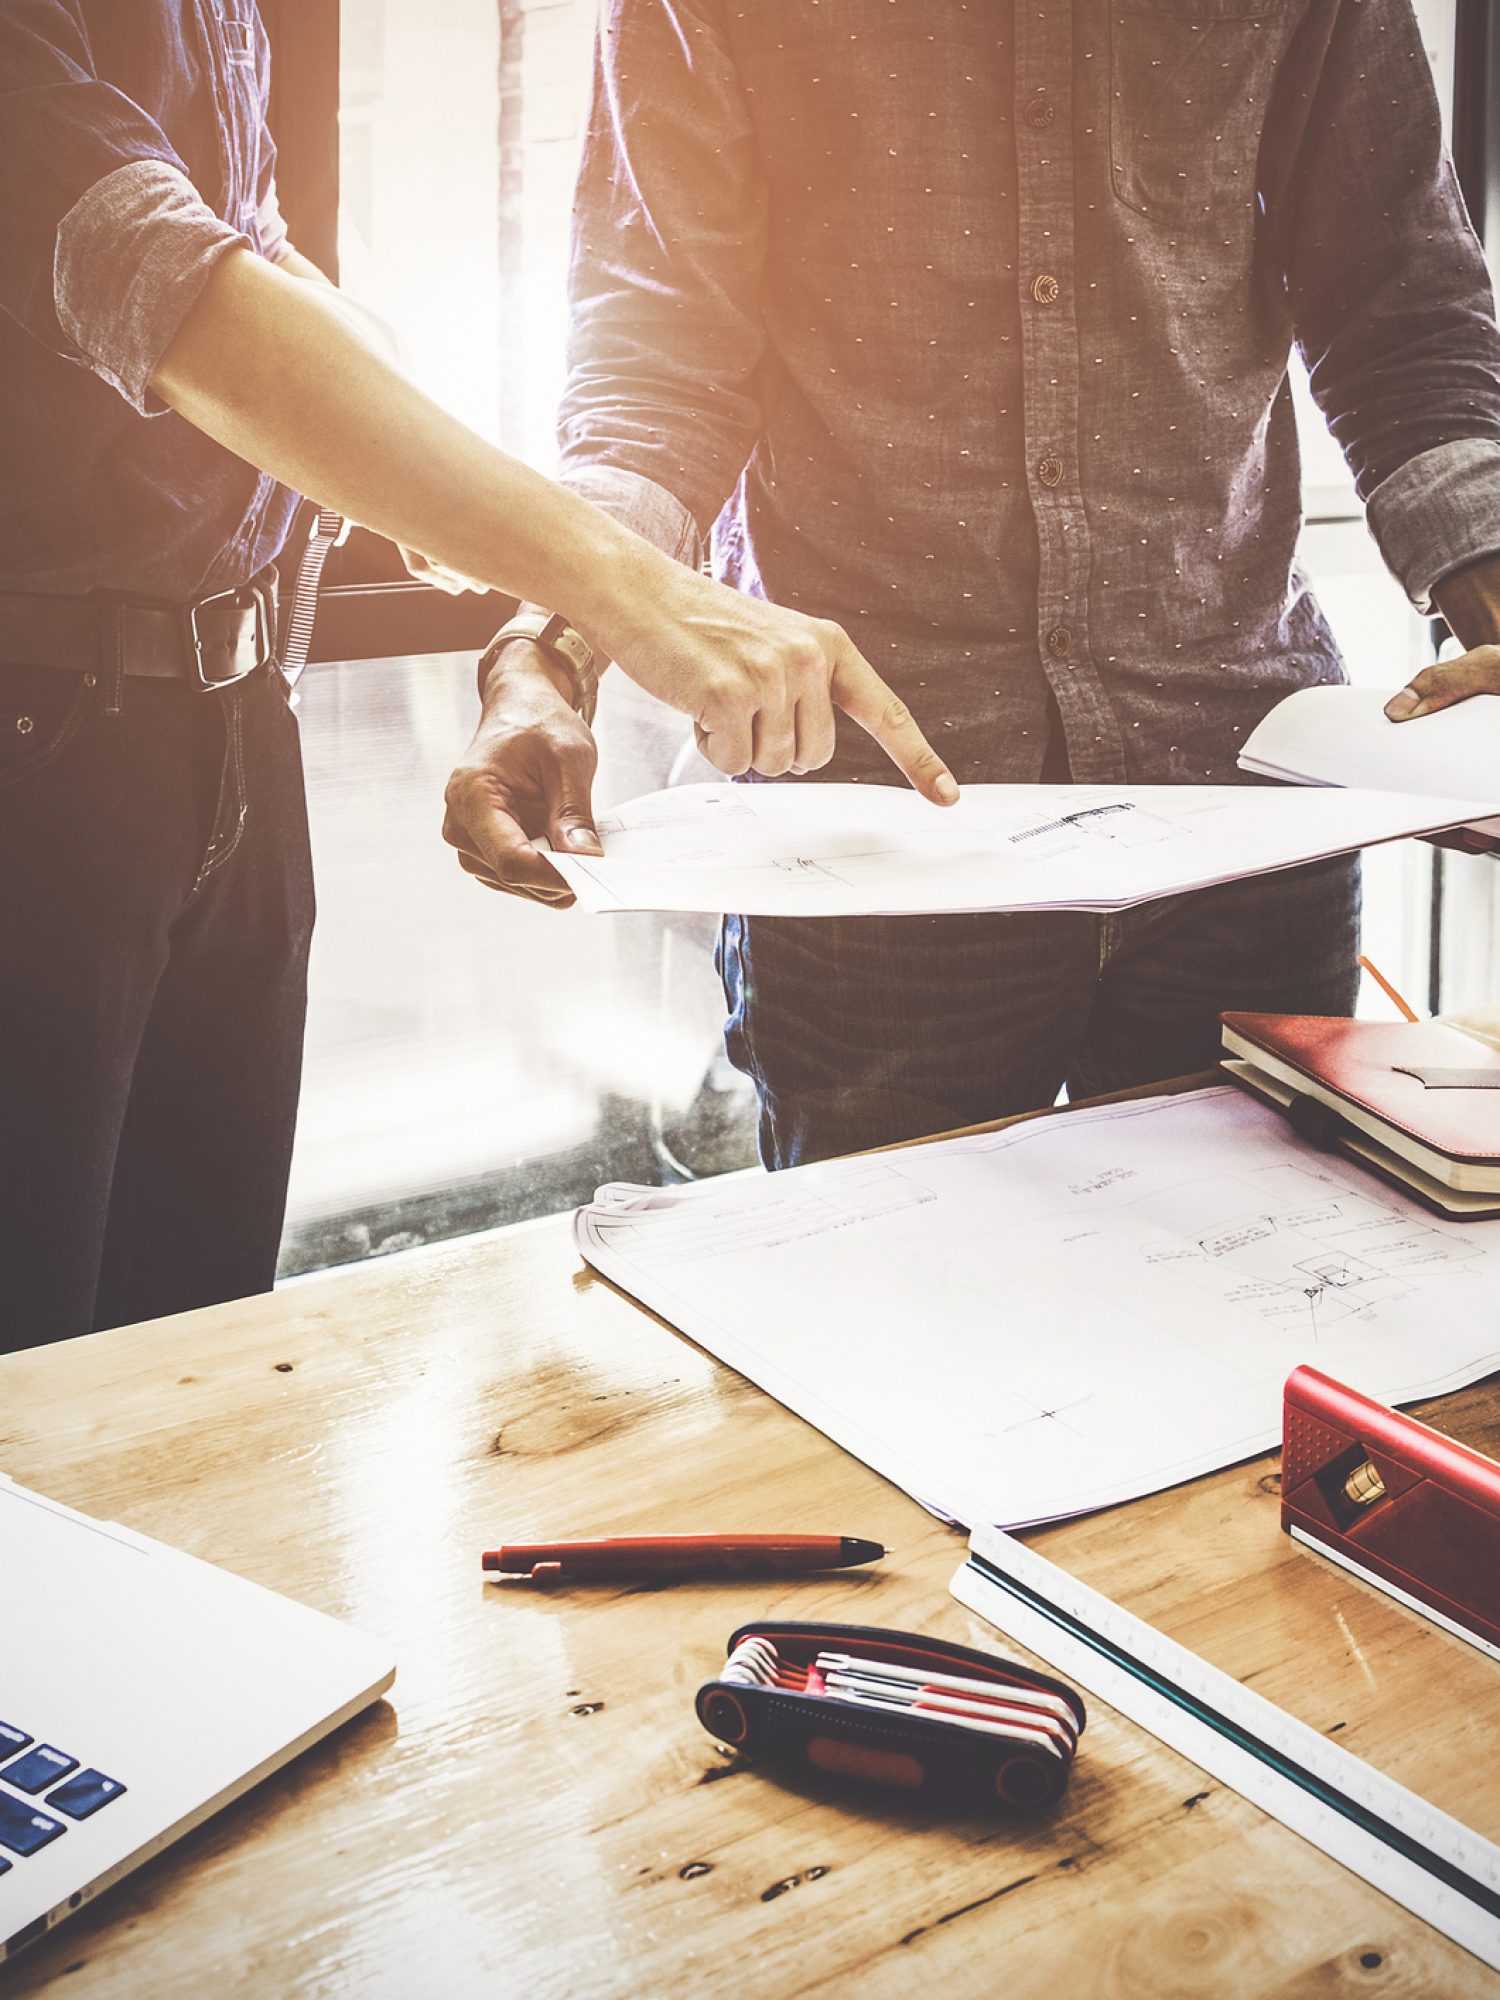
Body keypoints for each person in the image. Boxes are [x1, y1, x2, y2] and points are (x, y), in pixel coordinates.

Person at [0, 0, 956, 1352]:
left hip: (231, 725)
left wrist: (449, 492)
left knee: (183, 1365)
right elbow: (159, 280)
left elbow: (249, 236)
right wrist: (640, 595)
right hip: (37, 747)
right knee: (27, 1395)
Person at [451, 0, 1500, 1171]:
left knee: (1284, 1308)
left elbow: (1404, 316)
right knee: (877, 1330)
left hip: (1246, 792)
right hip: (871, 838)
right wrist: (549, 647)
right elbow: (657, 371)